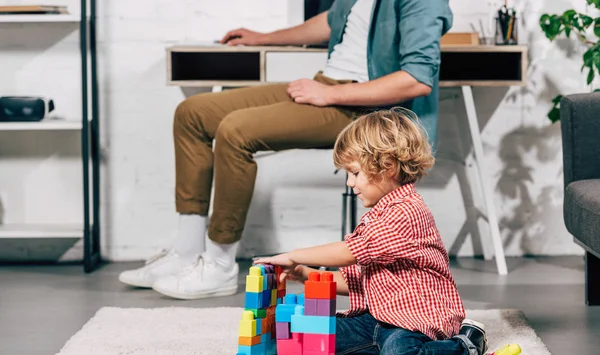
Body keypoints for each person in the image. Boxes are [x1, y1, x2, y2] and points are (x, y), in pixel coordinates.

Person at [118, 0, 454, 300]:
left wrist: (330, 96)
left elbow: (416, 78)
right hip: (329, 84)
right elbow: (330, 21)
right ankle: (187, 251)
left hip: (361, 107)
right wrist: (263, 38)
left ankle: (219, 265)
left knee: (235, 131)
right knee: (193, 113)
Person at [254, 109, 487, 355]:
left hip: (416, 324)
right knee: (308, 336)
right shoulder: (378, 215)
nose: (350, 182)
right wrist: (306, 274)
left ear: (386, 166)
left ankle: (466, 345)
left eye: (354, 172)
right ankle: (375, 347)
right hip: (376, 320)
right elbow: (359, 281)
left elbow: (350, 251)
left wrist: (294, 255)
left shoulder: (406, 212)